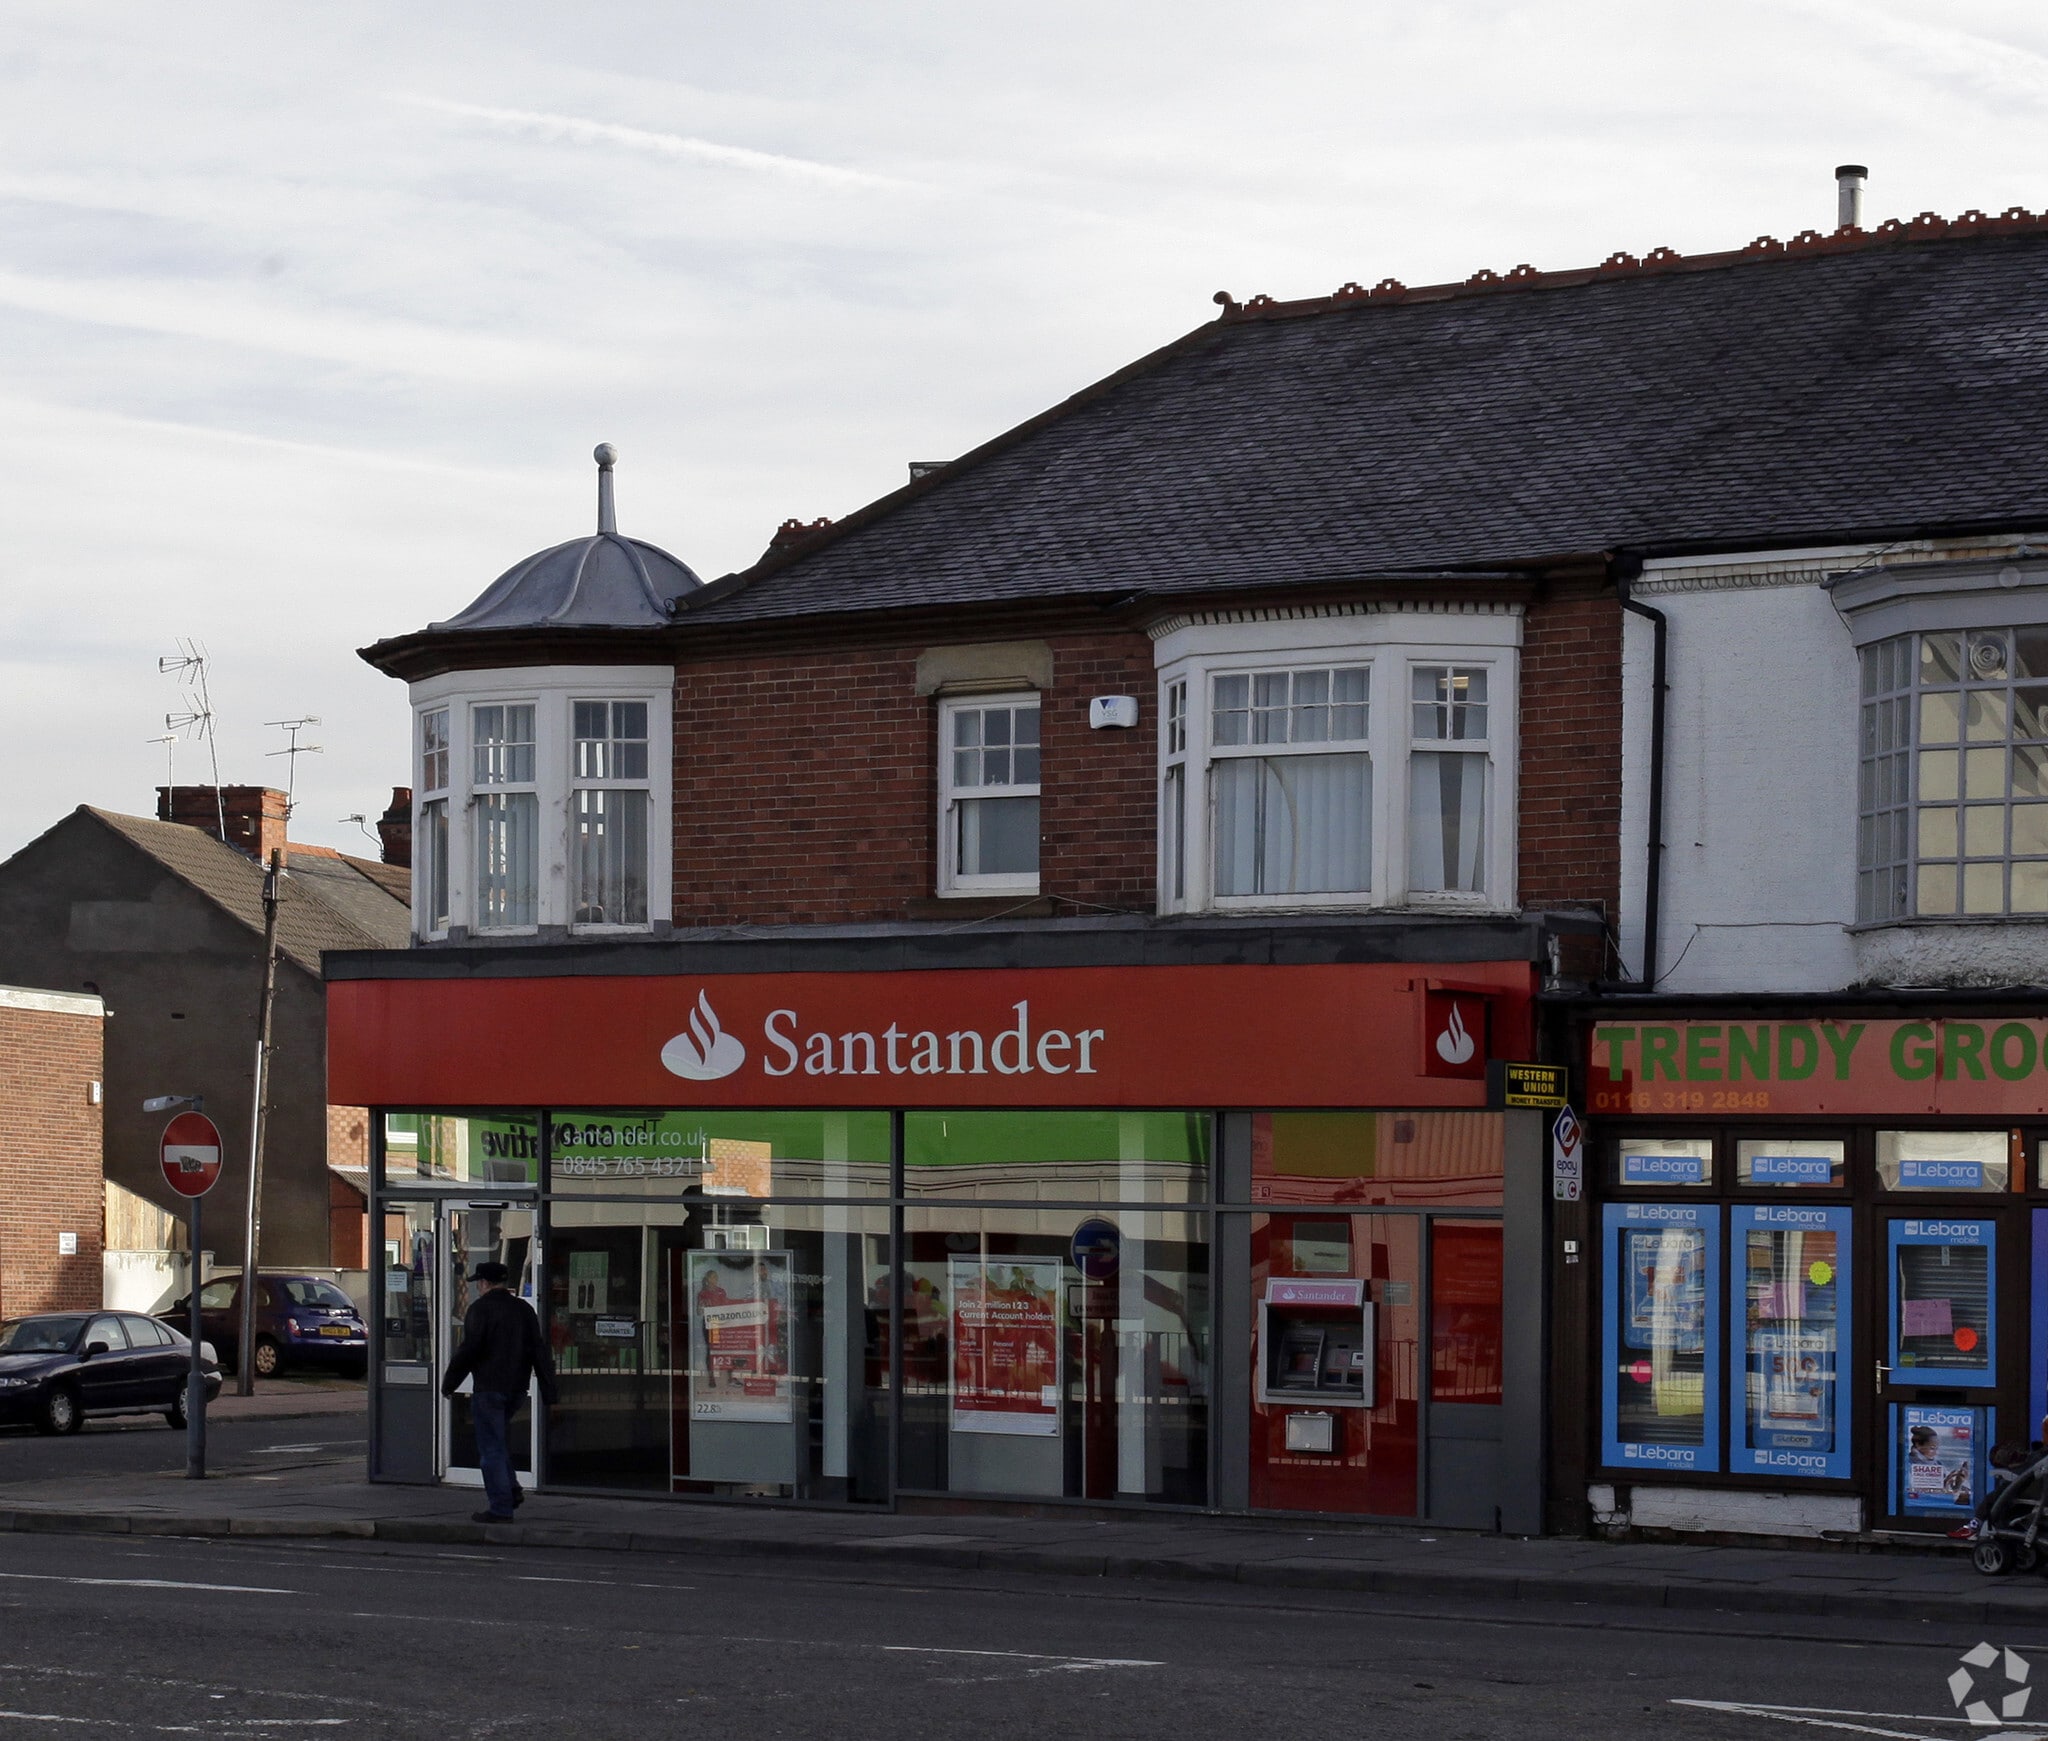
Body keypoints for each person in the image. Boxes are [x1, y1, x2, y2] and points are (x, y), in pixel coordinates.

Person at [440, 1260, 558, 1523]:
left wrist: (450, 1383)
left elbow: (468, 1351)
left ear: (483, 1283)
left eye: (478, 1283)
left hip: (489, 1388)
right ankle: (512, 1489)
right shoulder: (524, 1310)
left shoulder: (479, 1310)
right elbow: (538, 1350)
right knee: (498, 1441)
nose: (478, 1288)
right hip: (517, 1388)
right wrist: (549, 1390)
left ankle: (501, 1507)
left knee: (490, 1448)